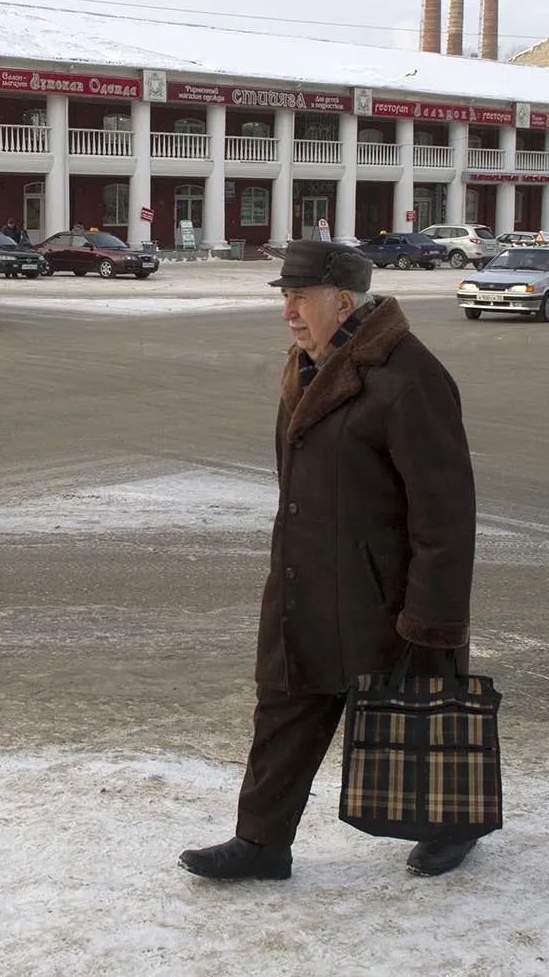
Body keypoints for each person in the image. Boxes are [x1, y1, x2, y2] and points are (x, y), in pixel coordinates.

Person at [179, 240, 477, 883]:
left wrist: (434, 618)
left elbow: (446, 512)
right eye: (283, 296)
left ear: (342, 301)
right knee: (284, 706)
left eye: (300, 297)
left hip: (383, 595)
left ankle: (452, 824)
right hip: (306, 578)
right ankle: (261, 843)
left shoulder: (409, 376)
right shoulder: (310, 361)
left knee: (416, 715)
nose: (288, 310)